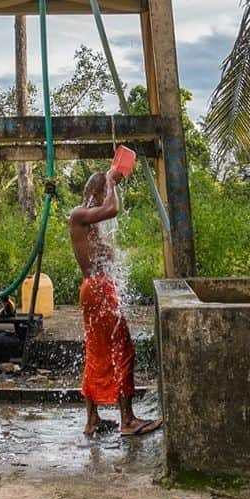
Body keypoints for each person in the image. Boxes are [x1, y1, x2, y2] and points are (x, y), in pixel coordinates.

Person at [70, 169, 163, 438]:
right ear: (97, 194)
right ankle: (127, 420)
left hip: (95, 289)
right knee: (122, 350)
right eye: (104, 192)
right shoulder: (79, 214)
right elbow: (113, 209)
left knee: (97, 351)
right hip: (98, 289)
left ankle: (93, 420)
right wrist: (112, 181)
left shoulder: (88, 223)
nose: (107, 196)